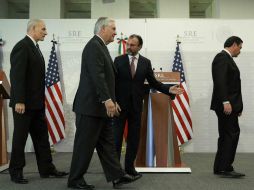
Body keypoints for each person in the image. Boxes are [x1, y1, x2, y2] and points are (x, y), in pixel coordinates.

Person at [67, 17, 135, 190]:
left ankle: (117, 176)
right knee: (85, 145)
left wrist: (113, 100)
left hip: (100, 108)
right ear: (102, 29)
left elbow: (106, 78)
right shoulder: (93, 46)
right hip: (90, 107)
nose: (115, 32)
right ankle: (75, 180)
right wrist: (107, 100)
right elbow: (98, 76)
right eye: (113, 28)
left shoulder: (100, 47)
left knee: (107, 145)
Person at [113, 34, 184, 179]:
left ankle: (130, 168)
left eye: (132, 45)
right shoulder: (118, 60)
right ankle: (114, 170)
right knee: (116, 138)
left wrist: (169, 89)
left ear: (139, 47)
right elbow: (112, 82)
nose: (129, 47)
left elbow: (153, 82)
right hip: (119, 106)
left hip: (136, 107)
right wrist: (113, 101)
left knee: (134, 138)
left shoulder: (145, 62)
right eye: (128, 44)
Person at [9, 19, 68, 184]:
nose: (46, 32)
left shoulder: (35, 47)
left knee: (42, 138)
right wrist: (19, 100)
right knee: (20, 139)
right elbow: (17, 75)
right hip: (24, 105)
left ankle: (46, 169)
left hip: (37, 104)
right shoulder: (22, 46)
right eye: (43, 29)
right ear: (33, 29)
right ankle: (16, 172)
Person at [211, 36, 245, 178]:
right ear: (234, 44)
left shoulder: (225, 58)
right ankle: (226, 167)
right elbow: (220, 81)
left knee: (226, 135)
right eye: (240, 47)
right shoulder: (222, 58)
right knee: (231, 135)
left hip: (229, 105)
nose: (240, 51)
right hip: (226, 105)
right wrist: (226, 102)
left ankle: (220, 167)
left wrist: (237, 106)